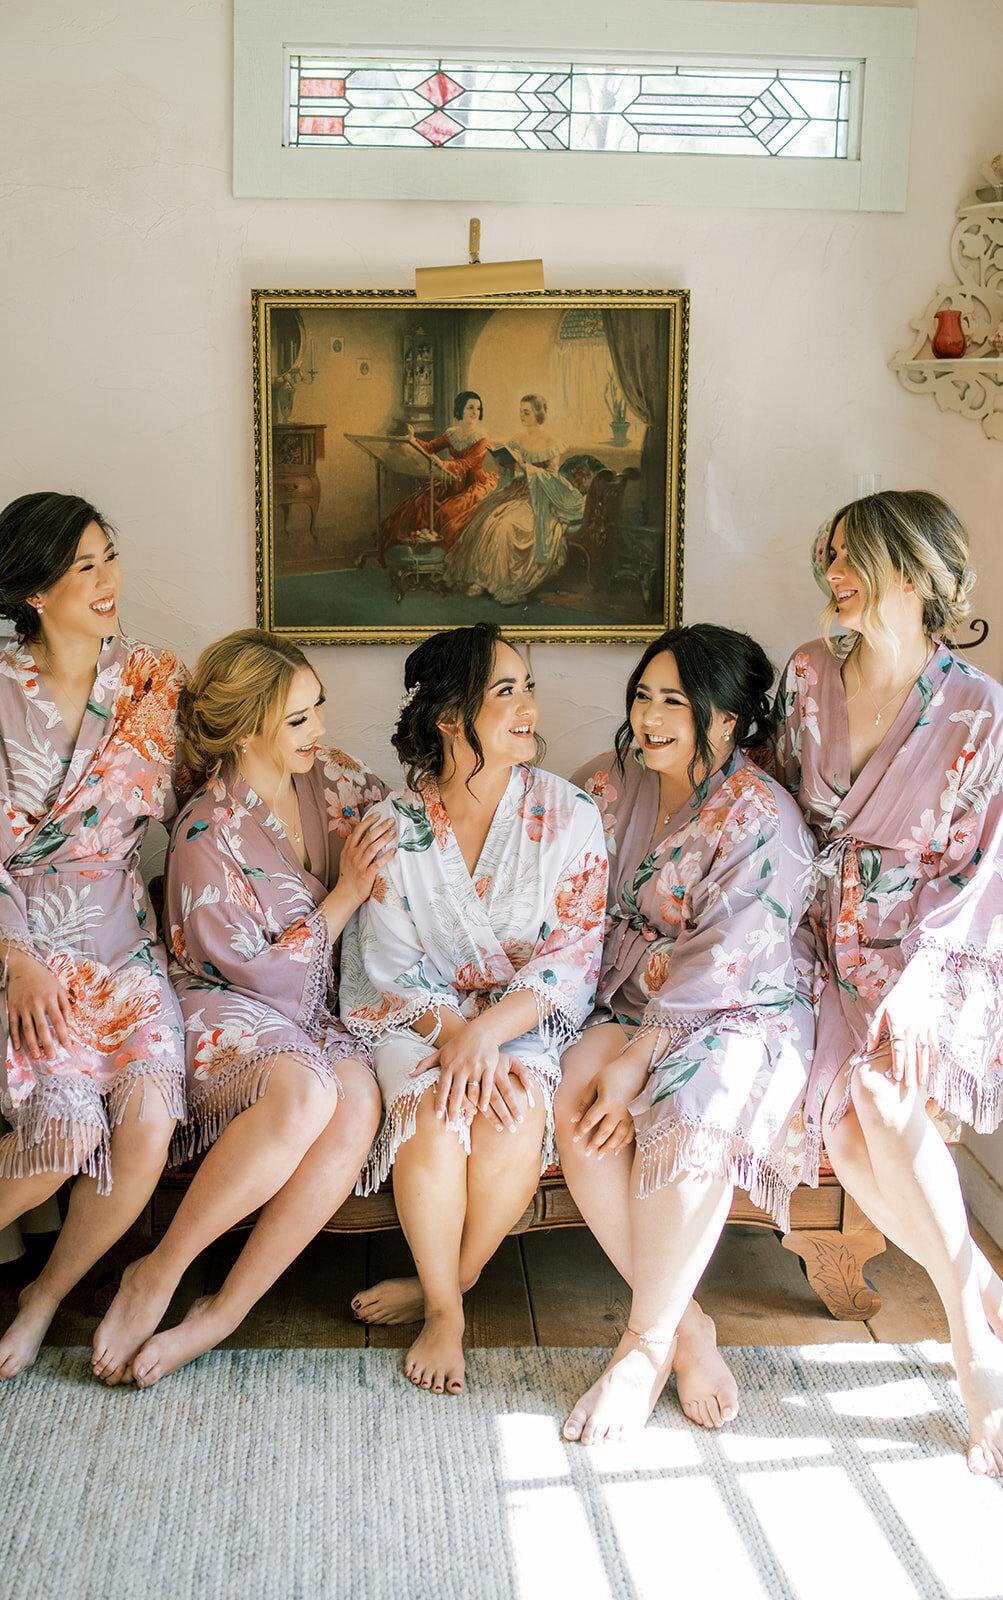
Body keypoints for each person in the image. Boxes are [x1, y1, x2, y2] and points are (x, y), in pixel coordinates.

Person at [91, 630, 390, 1385]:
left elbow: (411, 830)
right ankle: (158, 1271)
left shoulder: (337, 781)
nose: (318, 730)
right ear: (249, 727)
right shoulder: (204, 830)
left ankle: (223, 1310)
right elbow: (255, 975)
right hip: (224, 1005)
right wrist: (348, 895)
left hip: (313, 1012)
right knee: (306, 1091)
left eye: (317, 707)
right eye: (298, 719)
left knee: (356, 1105)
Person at [775, 490, 1003, 1477]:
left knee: (871, 1091)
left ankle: (965, 1338)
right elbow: (775, 808)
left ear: (909, 572)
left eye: (849, 558)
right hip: (811, 940)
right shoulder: (805, 674)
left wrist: (914, 991)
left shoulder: (978, 708)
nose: (829, 574)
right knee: (839, 1117)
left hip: (925, 953)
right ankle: (974, 1299)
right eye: (826, 555)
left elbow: (981, 871)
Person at [0, 492, 184, 1381]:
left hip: (121, 937)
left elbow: (219, 778)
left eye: (108, 556)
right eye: (83, 566)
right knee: (66, 1129)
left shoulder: (153, 677)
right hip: (16, 945)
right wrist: (17, 962)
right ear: (33, 590)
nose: (107, 579)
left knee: (149, 1119)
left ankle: (46, 1297)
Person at [558, 625, 817, 1444]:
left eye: (677, 701)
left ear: (730, 719)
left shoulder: (759, 815)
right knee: (573, 1097)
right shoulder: (612, 783)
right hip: (625, 997)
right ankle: (686, 1325)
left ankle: (639, 1350)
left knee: (693, 1107)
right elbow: (570, 896)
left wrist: (641, 1060)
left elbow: (732, 959)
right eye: (644, 695)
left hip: (737, 1006)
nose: (651, 716)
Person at [340, 622, 607, 1395]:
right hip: (419, 1020)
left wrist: (486, 1036)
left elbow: (571, 955)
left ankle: (444, 1291)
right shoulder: (393, 825)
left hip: (520, 1020)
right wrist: (454, 1035)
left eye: (527, 687)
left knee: (514, 1113)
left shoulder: (568, 814)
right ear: (449, 718)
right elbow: (385, 964)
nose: (528, 706)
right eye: (505, 691)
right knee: (432, 1116)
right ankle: (447, 1317)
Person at [444, 394, 585, 605]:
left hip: (538, 498)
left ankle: (504, 584)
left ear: (538, 413)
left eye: (526, 412)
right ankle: (480, 579)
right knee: (487, 518)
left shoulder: (551, 442)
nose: (522, 416)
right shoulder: (517, 438)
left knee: (507, 526)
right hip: (517, 492)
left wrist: (526, 467)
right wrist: (506, 464)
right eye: (521, 412)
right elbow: (509, 474)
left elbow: (552, 478)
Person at [377, 391, 497, 563]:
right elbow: (430, 447)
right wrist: (413, 440)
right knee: (420, 504)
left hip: (474, 485)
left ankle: (443, 563)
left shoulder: (482, 438)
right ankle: (418, 556)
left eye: (478, 408)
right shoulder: (452, 433)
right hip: (451, 481)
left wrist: (441, 464)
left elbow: (466, 464)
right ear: (460, 409)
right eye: (470, 407)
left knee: (448, 514)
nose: (475, 412)